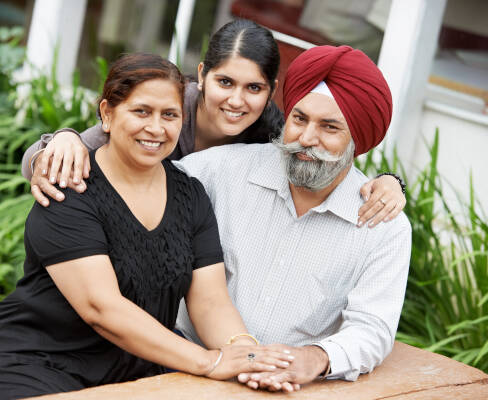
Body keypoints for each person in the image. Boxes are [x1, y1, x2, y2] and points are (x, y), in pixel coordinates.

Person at [0, 53, 293, 399]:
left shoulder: (191, 196)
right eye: (141, 111)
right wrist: (209, 361)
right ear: (107, 113)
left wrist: (247, 355)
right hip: (32, 364)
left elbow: (210, 302)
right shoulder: (70, 187)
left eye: (170, 115)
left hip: (135, 369)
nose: (156, 128)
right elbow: (102, 308)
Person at [174, 45, 411, 393]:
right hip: (184, 369)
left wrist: (314, 359)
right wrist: (69, 142)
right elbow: (132, 182)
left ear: (357, 141)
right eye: (299, 119)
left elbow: (372, 328)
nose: (306, 138)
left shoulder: (383, 227)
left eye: (329, 127)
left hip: (290, 388)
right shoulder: (216, 172)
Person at [21, 19, 406, 227]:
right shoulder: (168, 111)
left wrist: (389, 181)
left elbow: (325, 159)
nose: (236, 101)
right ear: (202, 74)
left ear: (271, 90)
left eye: (253, 87)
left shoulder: (272, 133)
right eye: (225, 82)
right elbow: (41, 159)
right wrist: (60, 141)